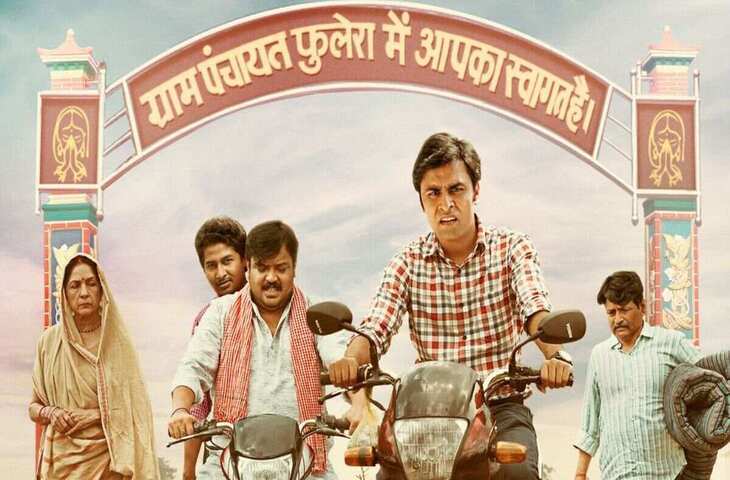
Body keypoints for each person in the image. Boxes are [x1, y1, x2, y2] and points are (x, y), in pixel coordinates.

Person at [329, 132, 573, 480]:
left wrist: (555, 356)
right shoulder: (407, 262)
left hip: (498, 407)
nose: (445, 204)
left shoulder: (512, 248)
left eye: (456, 189)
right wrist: (352, 361)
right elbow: (375, 327)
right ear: (421, 200)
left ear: (475, 190)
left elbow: (535, 310)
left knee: (517, 472)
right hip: (426, 417)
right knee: (389, 473)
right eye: (434, 193)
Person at [169, 220, 366, 479]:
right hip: (229, 460)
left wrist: (351, 382)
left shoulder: (315, 313)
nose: (271, 278)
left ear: (294, 269)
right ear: (248, 267)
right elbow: (193, 367)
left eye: (281, 268)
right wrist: (180, 410)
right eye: (262, 268)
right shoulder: (219, 312)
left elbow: (338, 354)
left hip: (305, 460)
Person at [29, 254, 159, 479]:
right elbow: (34, 407)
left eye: (91, 284)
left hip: (109, 463)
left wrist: (94, 416)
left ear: (101, 291)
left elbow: (135, 409)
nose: (84, 293)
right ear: (64, 294)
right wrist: (52, 413)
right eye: (75, 286)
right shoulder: (49, 343)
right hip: (60, 465)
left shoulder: (118, 343)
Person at [574, 271, 701, 480]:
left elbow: (709, 378)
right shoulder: (599, 355)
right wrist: (580, 473)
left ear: (642, 307)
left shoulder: (670, 343)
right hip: (616, 475)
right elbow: (590, 423)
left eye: (624, 310)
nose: (618, 319)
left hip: (668, 474)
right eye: (611, 312)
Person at [183, 216, 247, 480]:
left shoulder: (272, 307)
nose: (220, 273)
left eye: (227, 261)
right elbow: (200, 404)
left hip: (281, 447)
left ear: (245, 260)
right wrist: (188, 471)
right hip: (225, 449)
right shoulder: (206, 319)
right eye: (211, 265)